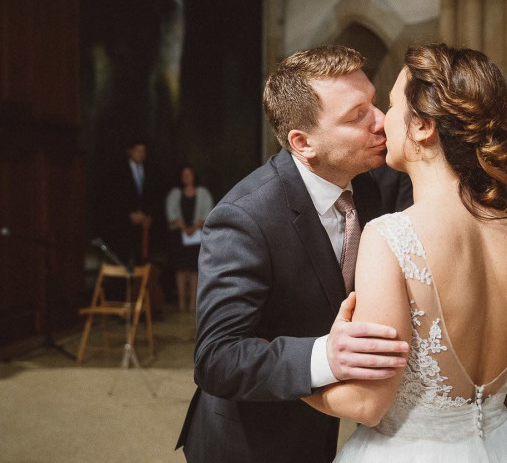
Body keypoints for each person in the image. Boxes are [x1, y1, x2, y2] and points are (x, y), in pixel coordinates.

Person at [304, 43, 507, 462]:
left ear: (422, 127)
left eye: (391, 105)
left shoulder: (391, 238)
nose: (382, 120)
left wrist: (283, 378)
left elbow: (367, 403)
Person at [176, 45, 410, 463]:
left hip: (321, 430)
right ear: (303, 143)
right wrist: (324, 356)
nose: (381, 121)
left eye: (374, 103)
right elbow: (216, 358)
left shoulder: (370, 185)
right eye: (357, 115)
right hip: (248, 443)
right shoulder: (244, 217)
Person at [165, 164, 213, 313]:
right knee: (181, 270)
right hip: (179, 237)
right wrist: (184, 228)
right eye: (184, 175)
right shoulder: (174, 193)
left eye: (189, 174)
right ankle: (181, 303)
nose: (187, 178)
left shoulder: (203, 193)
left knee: (194, 270)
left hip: (197, 237)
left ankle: (193, 303)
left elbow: (208, 212)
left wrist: (195, 227)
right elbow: (171, 213)